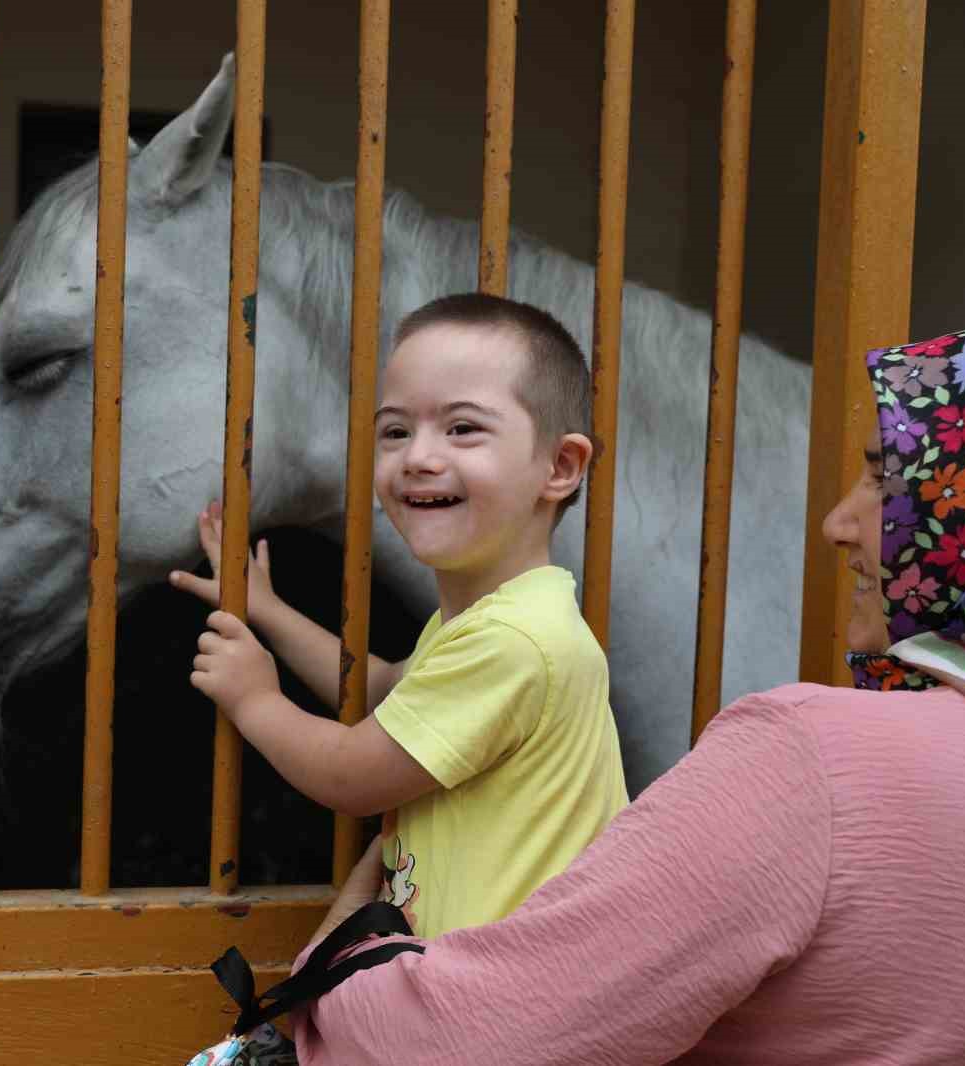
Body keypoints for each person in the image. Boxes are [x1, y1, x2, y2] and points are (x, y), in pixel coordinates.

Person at [289, 325, 965, 1064]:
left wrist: (337, 954)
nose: (836, 523)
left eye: (884, 479)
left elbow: (478, 1041)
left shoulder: (810, 759)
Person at [173, 293, 628, 937]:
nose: (417, 455)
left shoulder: (516, 642)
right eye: (395, 430)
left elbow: (352, 775)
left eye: (462, 427)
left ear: (559, 466)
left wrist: (255, 699)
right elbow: (385, 689)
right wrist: (269, 612)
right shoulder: (498, 617)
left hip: (493, 1004)